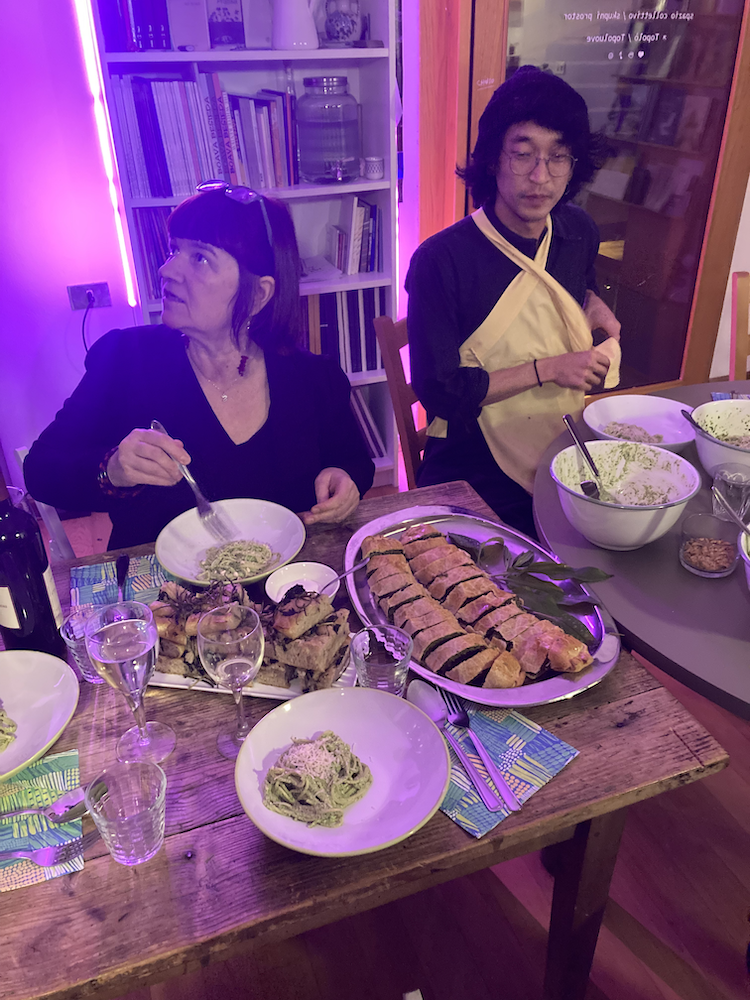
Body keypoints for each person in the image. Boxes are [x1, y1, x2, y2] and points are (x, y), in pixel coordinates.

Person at [24, 184, 375, 549]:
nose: (167, 269)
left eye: (200, 258)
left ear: (258, 294)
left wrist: (344, 480)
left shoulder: (314, 379)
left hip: (285, 577)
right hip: (159, 583)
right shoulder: (124, 360)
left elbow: (355, 464)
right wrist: (111, 470)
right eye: (174, 249)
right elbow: (41, 470)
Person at [405, 67, 621, 538]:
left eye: (558, 157)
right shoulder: (440, 260)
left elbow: (575, 288)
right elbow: (440, 392)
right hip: (470, 464)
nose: (540, 177)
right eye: (523, 154)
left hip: (561, 442)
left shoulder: (577, 231)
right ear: (492, 159)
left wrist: (595, 305)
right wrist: (550, 369)